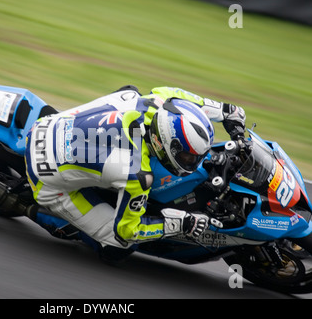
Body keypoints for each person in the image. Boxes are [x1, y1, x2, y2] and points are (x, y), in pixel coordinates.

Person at [23, 85, 246, 263]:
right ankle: (45, 215)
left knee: (130, 91)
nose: (193, 162)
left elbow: (181, 97)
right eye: (188, 157)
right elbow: (128, 231)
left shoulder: (160, 102)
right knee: (118, 246)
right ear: (164, 142)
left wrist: (225, 111)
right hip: (45, 178)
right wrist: (181, 225)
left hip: (49, 124)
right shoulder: (136, 173)